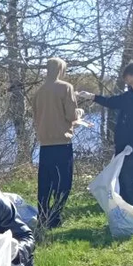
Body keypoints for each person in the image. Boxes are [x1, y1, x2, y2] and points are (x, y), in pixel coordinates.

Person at [79, 59, 133, 209]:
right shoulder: (129, 95)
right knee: (123, 181)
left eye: (127, 75)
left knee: (131, 183)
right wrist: (92, 97)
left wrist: (132, 146)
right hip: (122, 146)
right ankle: (124, 215)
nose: (125, 78)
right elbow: (112, 102)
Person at [31, 57, 78, 228]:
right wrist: (79, 113)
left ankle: (43, 216)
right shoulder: (66, 88)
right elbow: (71, 116)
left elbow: (36, 117)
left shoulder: (39, 92)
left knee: (45, 184)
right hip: (62, 144)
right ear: (60, 70)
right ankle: (55, 217)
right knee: (63, 183)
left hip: (44, 145)